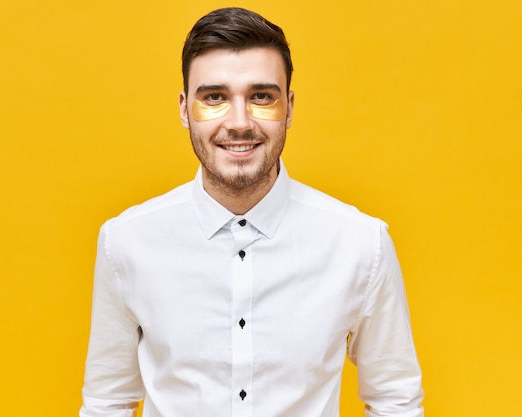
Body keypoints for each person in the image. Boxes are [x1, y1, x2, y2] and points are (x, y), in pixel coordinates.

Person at [80, 7, 424, 417]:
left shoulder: (361, 243)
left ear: (290, 108)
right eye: (214, 98)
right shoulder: (126, 241)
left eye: (261, 96)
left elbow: (395, 400)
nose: (239, 122)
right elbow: (108, 402)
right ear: (184, 109)